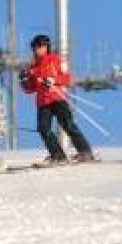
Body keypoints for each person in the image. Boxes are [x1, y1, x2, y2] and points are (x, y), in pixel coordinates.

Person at [20, 34, 95, 165]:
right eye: (34, 48)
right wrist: (24, 81)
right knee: (43, 129)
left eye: (38, 47)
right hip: (43, 102)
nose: (35, 50)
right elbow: (30, 89)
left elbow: (67, 78)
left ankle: (85, 151)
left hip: (57, 98)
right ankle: (58, 155)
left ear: (45, 47)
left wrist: (53, 80)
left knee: (68, 124)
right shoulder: (33, 67)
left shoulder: (55, 60)